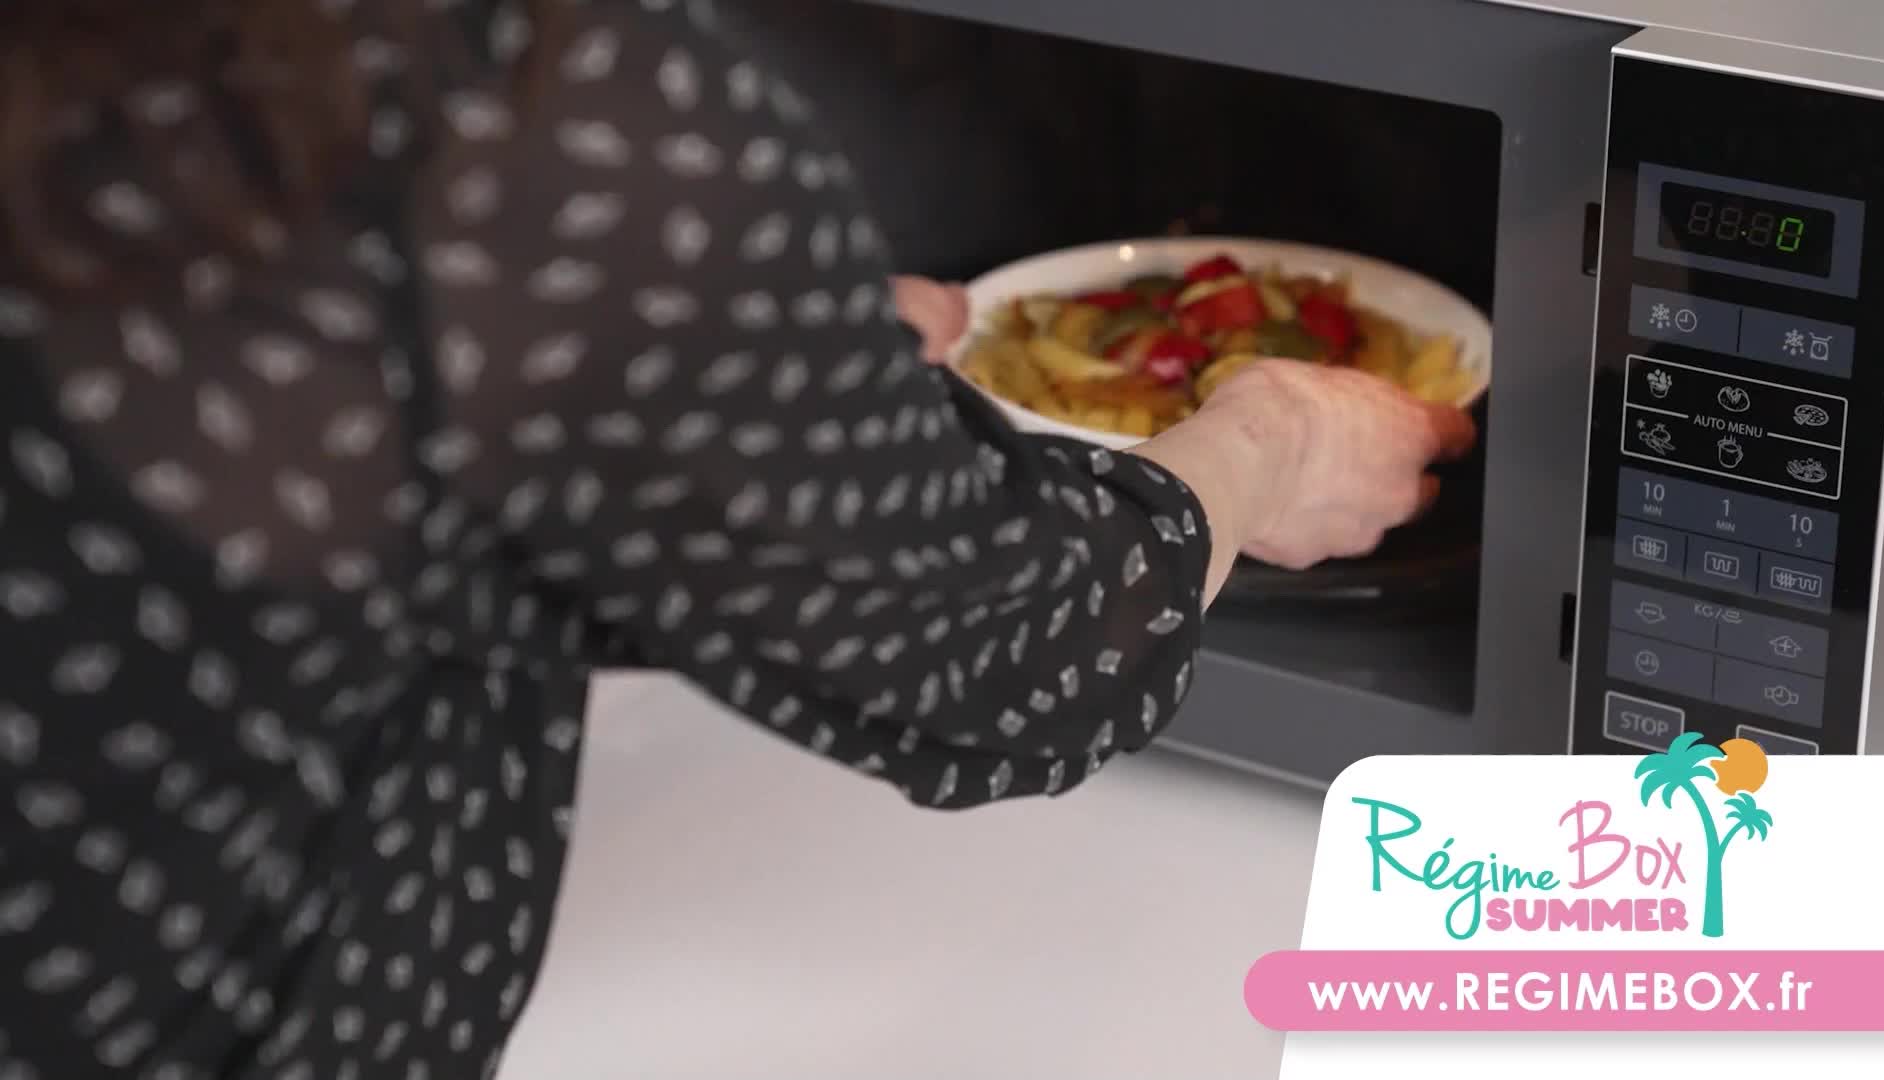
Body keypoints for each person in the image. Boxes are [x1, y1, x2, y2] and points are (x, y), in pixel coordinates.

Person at [0, 0, 1475, 1075]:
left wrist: (716, 375)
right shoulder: (505, 96)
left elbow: (292, 448)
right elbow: (1007, 653)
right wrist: (1270, 451)